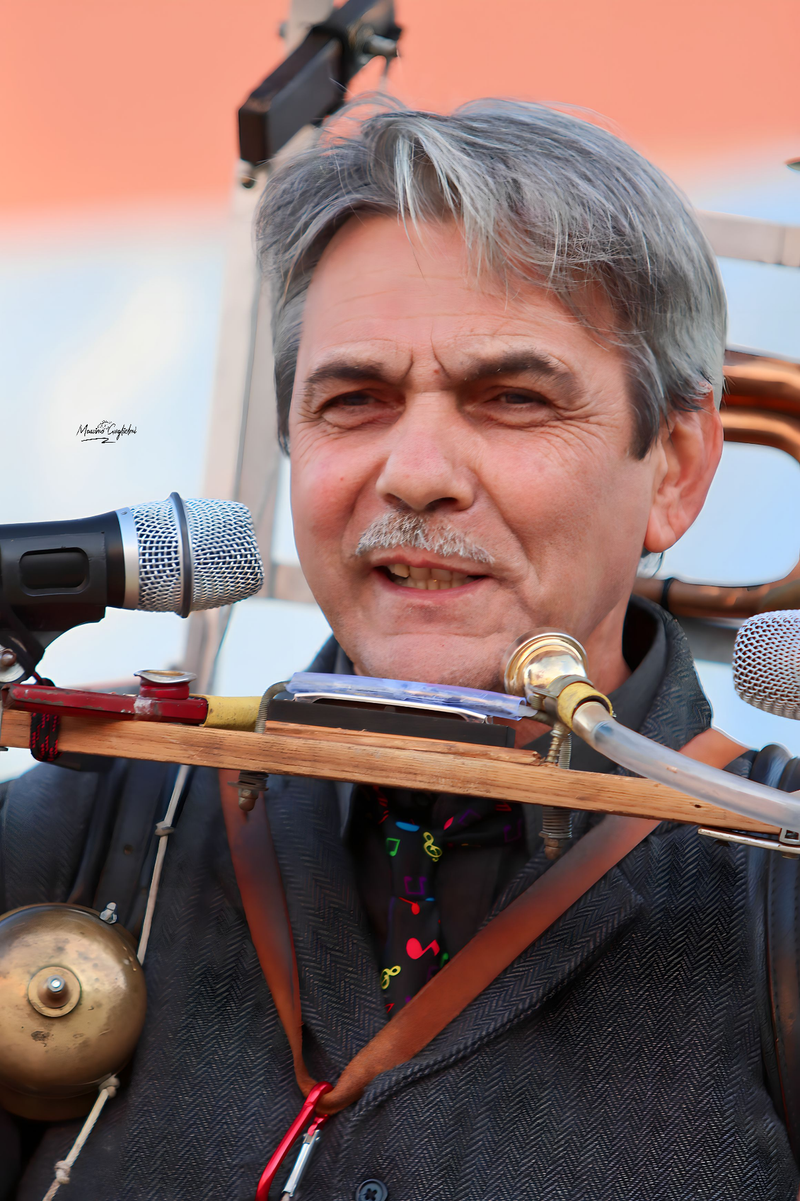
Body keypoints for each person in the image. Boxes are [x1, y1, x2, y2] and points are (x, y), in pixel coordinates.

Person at [1, 99, 798, 1200]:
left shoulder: (775, 884)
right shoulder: (75, 833)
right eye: (355, 400)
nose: (415, 470)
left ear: (672, 467)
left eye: (511, 398)